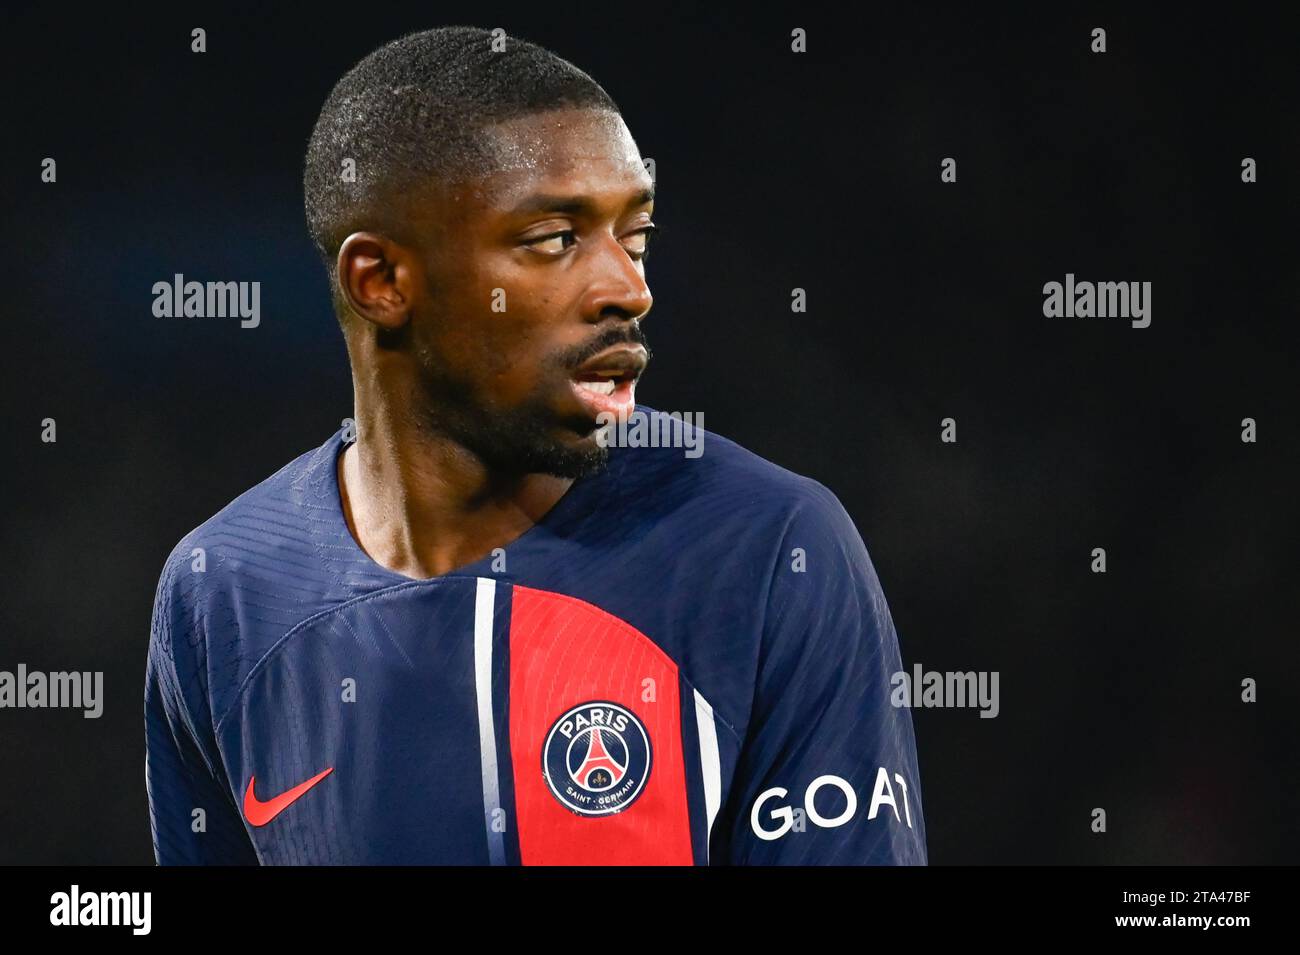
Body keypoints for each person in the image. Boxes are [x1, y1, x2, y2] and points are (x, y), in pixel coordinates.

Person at [144, 25, 927, 865]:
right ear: (382, 282)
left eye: (637, 236)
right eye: (556, 239)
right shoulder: (221, 592)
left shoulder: (768, 548)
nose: (631, 288)